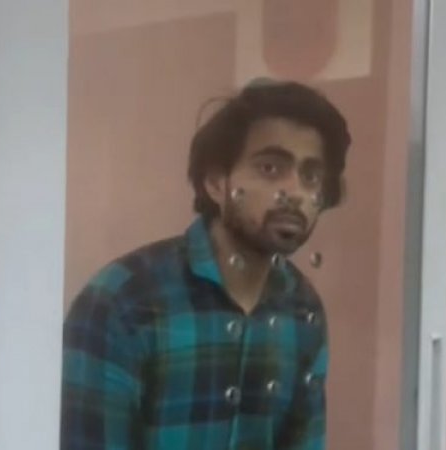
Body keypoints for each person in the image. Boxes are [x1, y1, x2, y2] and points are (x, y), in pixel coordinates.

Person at [61, 79, 350, 450]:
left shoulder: (301, 308)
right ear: (216, 183)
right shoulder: (125, 300)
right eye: (270, 168)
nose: (295, 192)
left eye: (310, 176)